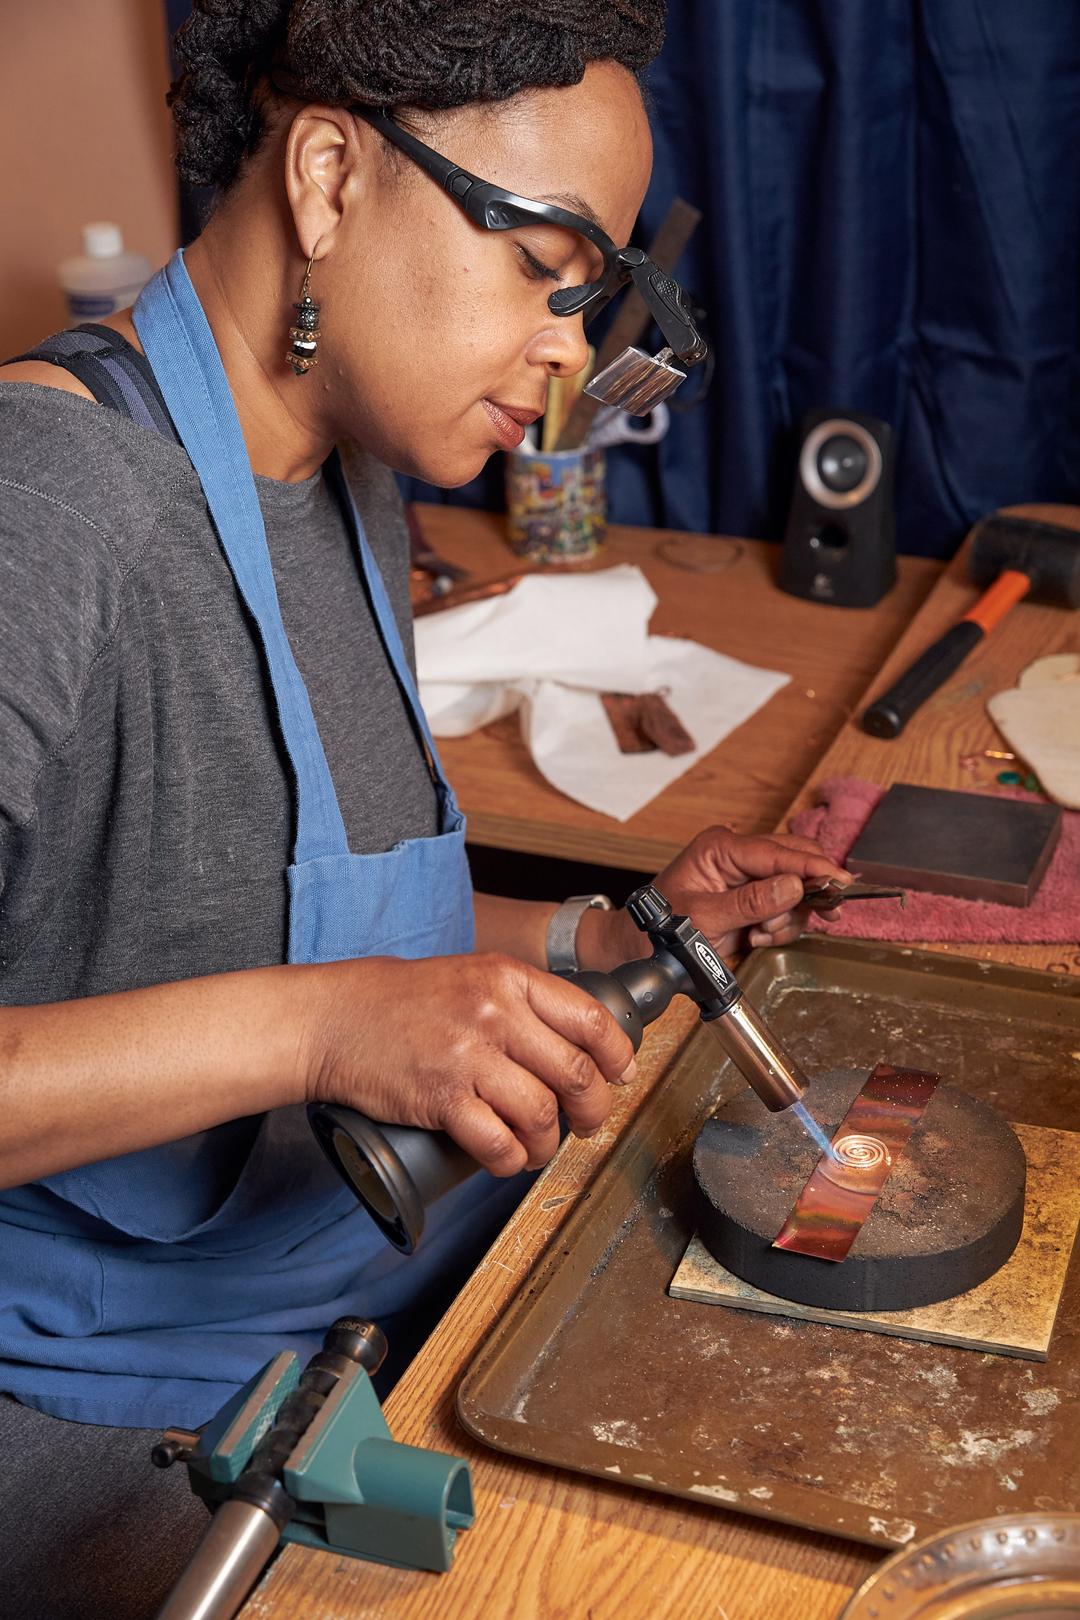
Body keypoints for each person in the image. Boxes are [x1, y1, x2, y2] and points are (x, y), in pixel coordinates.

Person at [0, 3, 849, 1613]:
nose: (570, 359)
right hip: (114, 1396)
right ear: (330, 177)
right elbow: (324, 997)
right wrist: (327, 1032)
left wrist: (611, 929)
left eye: (594, 301)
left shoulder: (346, 467)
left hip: (373, 1287)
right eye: (547, 270)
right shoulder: (51, 502)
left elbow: (288, 901)